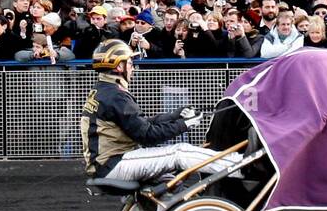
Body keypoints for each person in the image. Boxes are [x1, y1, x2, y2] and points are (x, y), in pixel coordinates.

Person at [81, 40, 240, 182]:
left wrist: (174, 115)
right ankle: (239, 165)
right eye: (130, 63)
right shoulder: (116, 96)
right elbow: (147, 135)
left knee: (171, 181)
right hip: (113, 165)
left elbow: (141, 125)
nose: (133, 68)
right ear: (118, 66)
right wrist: (184, 125)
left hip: (106, 165)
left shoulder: (104, 90)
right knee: (179, 152)